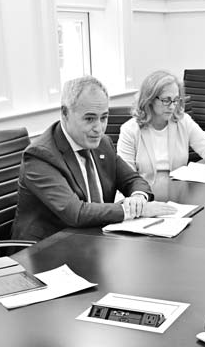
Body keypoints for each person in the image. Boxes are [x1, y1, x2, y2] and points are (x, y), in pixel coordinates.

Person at [12, 75, 175, 242]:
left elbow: (132, 180)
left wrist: (138, 199)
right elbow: (76, 213)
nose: (99, 128)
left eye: (103, 118)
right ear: (65, 113)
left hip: (93, 240)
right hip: (45, 250)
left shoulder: (102, 143)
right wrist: (134, 211)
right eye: (89, 119)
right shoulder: (40, 156)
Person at [117, 70, 205, 199]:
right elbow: (126, 179)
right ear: (149, 99)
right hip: (145, 200)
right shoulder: (130, 130)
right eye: (166, 100)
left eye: (176, 100)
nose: (172, 106)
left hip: (180, 200)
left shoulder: (183, 122)